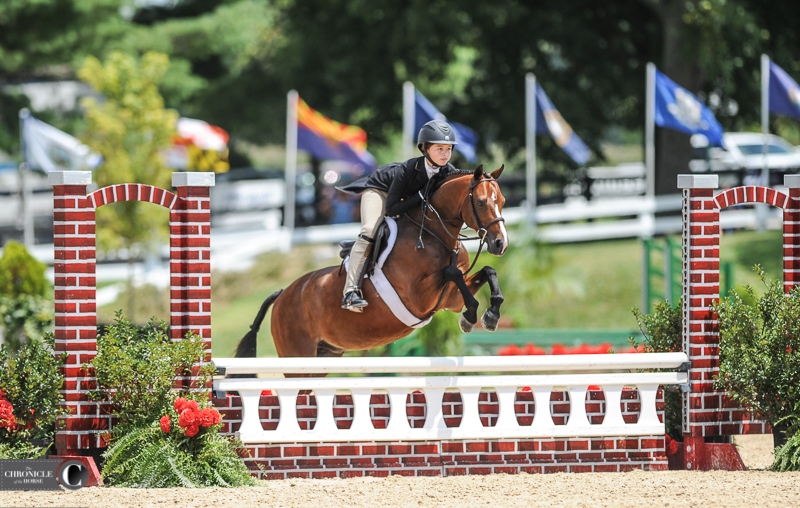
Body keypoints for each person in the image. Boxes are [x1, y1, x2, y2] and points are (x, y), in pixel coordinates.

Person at [337, 119, 458, 312]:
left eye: (448, 149)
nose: (445, 154)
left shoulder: (447, 171)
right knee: (370, 230)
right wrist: (421, 195)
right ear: (425, 149)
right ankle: (350, 292)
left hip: (404, 199)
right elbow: (392, 209)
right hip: (380, 192)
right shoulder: (408, 169)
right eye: (439, 149)